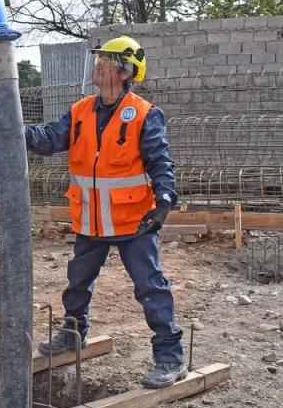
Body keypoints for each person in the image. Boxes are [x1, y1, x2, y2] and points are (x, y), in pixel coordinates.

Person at [25, 36, 185, 389]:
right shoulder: (81, 111)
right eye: (97, 59)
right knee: (77, 282)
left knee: (150, 286)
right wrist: (17, 132)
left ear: (125, 71)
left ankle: (170, 357)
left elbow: (161, 162)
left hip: (133, 220)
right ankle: (74, 332)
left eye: (106, 60)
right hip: (90, 220)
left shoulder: (145, 113)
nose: (97, 65)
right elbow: (50, 139)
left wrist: (163, 202)